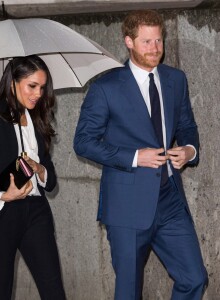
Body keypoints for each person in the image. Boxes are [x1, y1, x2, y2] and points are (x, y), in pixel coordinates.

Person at [73, 10, 208, 300]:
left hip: (170, 198)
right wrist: (135, 156)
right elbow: (83, 142)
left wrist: (188, 150)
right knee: (129, 291)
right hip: (126, 206)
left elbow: (187, 126)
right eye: (146, 41)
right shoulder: (105, 88)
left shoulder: (176, 80)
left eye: (159, 40)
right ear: (129, 42)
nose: (155, 49)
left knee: (194, 278)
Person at [0, 55, 66, 300]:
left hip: (36, 211)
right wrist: (2, 195)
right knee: (0, 292)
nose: (38, 94)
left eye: (42, 87)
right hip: (0, 214)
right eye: (32, 86)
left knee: (54, 291)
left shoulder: (37, 120)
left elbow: (50, 183)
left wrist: (39, 169)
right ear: (12, 83)